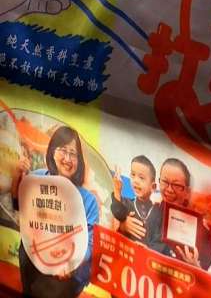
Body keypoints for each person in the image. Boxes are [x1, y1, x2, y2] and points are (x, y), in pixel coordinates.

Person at [18, 125, 99, 298]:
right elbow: (23, 213)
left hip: (68, 269)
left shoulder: (88, 200)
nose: (68, 159)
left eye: (74, 154)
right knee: (24, 253)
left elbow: (91, 243)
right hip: (38, 256)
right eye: (63, 150)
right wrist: (19, 177)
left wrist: (70, 263)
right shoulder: (37, 178)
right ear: (53, 151)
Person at [125, 157, 211, 270]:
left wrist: (196, 267)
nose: (169, 190)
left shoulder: (202, 231)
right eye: (165, 182)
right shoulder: (151, 212)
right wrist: (123, 224)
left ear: (187, 191)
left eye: (176, 185)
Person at [112, 155, 157, 246]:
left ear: (153, 187)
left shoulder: (156, 212)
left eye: (141, 178)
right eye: (133, 175)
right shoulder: (127, 203)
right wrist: (117, 190)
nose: (135, 180)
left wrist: (148, 249)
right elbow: (118, 213)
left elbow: (158, 240)